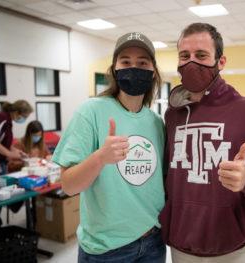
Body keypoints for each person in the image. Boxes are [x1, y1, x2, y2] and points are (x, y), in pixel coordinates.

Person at [159, 23, 245, 263]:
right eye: (184, 56)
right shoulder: (173, 116)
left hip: (237, 250)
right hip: (181, 247)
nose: (191, 63)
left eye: (201, 55)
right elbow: (168, 177)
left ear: (221, 62)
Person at [52, 32, 166, 263]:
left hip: (153, 241)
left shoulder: (156, 122)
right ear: (114, 69)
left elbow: (160, 182)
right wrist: (100, 158)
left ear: (153, 71)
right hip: (107, 250)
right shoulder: (91, 111)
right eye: (125, 61)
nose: (134, 67)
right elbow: (69, 186)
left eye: (142, 62)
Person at [0, 100, 33, 229]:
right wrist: (10, 155)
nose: (24, 119)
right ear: (16, 113)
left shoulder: (9, 122)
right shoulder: (1, 117)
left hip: (0, 164)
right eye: (24, 117)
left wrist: (17, 152)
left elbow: (5, 144)